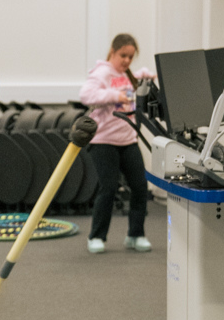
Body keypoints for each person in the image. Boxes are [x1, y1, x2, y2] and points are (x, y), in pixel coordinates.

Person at [80, 33, 155, 254]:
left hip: (128, 140)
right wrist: (114, 95)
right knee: (109, 188)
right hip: (103, 141)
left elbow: (146, 75)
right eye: (123, 55)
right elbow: (86, 95)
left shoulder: (130, 74)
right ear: (113, 51)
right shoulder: (102, 73)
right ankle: (96, 237)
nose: (126, 61)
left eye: (131, 57)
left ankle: (135, 235)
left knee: (140, 187)